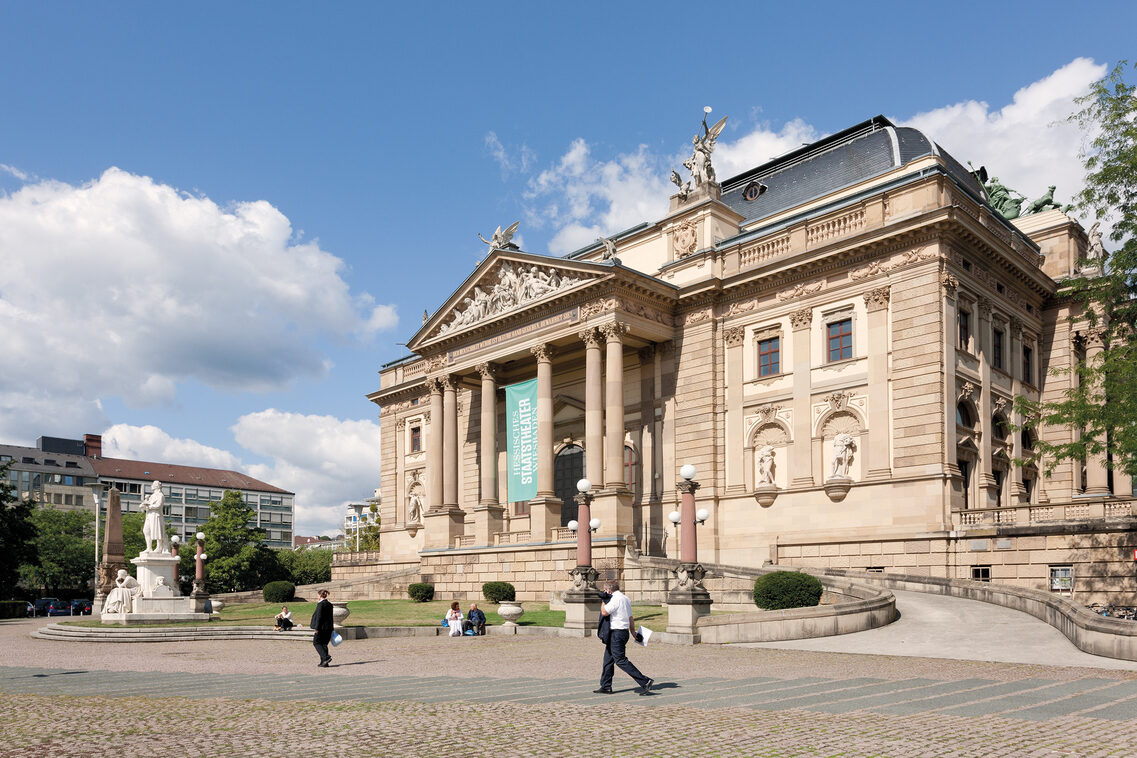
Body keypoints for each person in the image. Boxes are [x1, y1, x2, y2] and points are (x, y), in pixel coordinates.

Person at [594, 580, 653, 696]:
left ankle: (645, 681)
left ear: (609, 590)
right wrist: (632, 631)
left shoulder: (615, 599)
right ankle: (606, 686)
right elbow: (630, 617)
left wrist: (603, 601)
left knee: (620, 660)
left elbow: (604, 612)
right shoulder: (625, 598)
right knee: (608, 660)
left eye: (605, 590)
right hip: (622, 632)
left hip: (616, 633)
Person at [310, 590, 334, 667]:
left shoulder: (321, 604)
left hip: (321, 627)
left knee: (316, 642)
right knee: (324, 644)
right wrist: (332, 628)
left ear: (320, 595)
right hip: (328, 627)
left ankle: (326, 657)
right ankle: (324, 662)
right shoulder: (329, 604)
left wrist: (316, 628)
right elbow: (331, 617)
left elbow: (319, 617)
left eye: (318, 595)